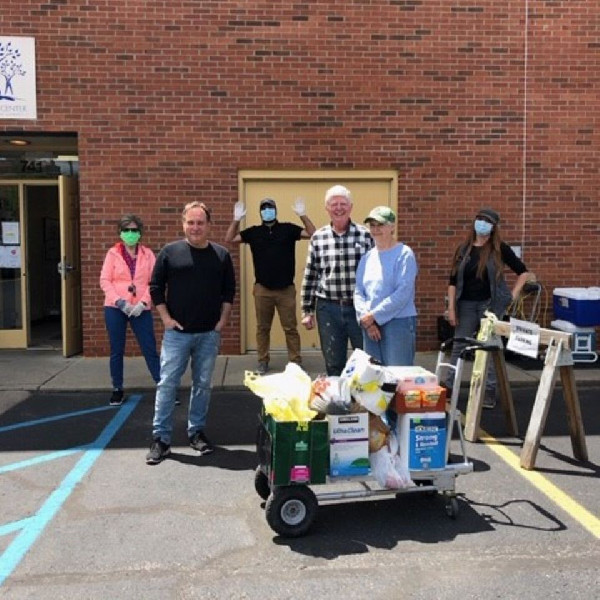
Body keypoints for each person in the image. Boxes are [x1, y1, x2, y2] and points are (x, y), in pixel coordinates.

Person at [146, 201, 235, 465]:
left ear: (209, 225)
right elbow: (155, 287)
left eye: (200, 223)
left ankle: (196, 432)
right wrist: (166, 318)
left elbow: (229, 291)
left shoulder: (221, 255)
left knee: (203, 385)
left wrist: (222, 320)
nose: (195, 227)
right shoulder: (170, 252)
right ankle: (161, 439)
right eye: (191, 222)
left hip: (208, 334)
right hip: (177, 334)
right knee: (167, 384)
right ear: (183, 224)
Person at [446, 207, 530, 408]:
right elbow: (452, 281)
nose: (482, 224)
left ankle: (488, 391)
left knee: (488, 348)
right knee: (459, 345)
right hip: (465, 304)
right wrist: (451, 308)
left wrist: (513, 294)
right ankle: (449, 387)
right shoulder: (463, 249)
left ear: (493, 227)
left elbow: (523, 272)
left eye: (487, 221)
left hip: (489, 304)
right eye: (480, 219)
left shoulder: (499, 249)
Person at [225, 197, 316, 374]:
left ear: (276, 210)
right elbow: (229, 238)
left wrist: (302, 215)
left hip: (286, 289)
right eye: (264, 208)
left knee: (290, 328)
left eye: (270, 208)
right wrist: (236, 219)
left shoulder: (287, 229)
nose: (267, 211)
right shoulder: (254, 232)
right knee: (262, 328)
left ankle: (295, 361)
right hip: (262, 289)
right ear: (260, 212)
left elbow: (313, 233)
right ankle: (262, 360)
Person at [301, 184, 373, 376]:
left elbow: (375, 274)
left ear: (351, 207)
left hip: (359, 308)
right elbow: (311, 274)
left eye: (343, 204)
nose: (339, 208)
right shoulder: (318, 237)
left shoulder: (365, 235)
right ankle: (337, 394)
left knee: (366, 360)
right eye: (334, 204)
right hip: (328, 309)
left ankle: (361, 395)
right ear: (327, 208)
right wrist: (307, 310)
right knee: (333, 363)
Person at [100, 214, 160, 406]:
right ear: (120, 232)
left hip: (140, 308)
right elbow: (105, 280)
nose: (130, 233)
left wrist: (143, 303)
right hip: (116, 308)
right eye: (126, 230)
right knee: (116, 349)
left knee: (149, 348)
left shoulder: (148, 254)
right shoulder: (112, 254)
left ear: (140, 232)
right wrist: (119, 302)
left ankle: (163, 386)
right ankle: (117, 388)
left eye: (134, 230)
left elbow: (155, 282)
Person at [354, 206, 418, 367]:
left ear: (392, 227)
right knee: (373, 375)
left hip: (398, 322)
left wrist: (373, 316)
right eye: (372, 225)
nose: (376, 230)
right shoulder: (367, 257)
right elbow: (359, 291)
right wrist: (368, 321)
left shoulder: (404, 254)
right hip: (371, 326)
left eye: (380, 225)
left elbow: (403, 292)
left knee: (398, 374)